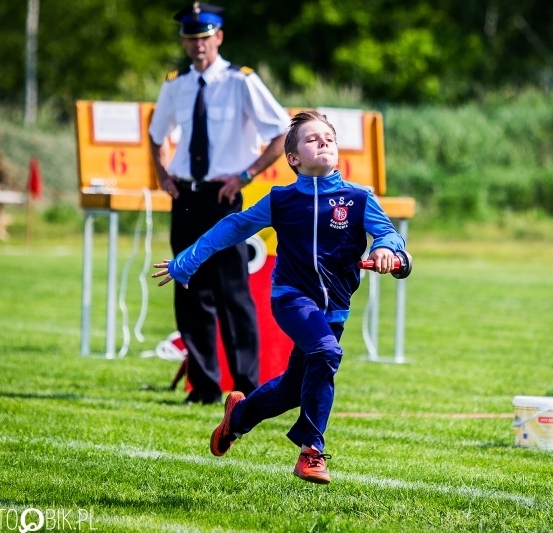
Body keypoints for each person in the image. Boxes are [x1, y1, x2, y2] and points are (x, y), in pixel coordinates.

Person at [153, 110, 408, 484]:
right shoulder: (281, 200)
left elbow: (390, 235)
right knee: (326, 353)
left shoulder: (358, 198)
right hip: (291, 299)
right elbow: (232, 227)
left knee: (293, 388)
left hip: (334, 310)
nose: (323, 142)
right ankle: (312, 451)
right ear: (292, 158)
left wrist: (387, 249)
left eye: (329, 138)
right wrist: (186, 262)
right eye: (312, 139)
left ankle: (237, 418)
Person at [148, 2, 290, 405]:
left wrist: (245, 175)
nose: (198, 46)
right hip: (186, 195)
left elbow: (281, 134)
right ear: (183, 41)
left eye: (205, 38)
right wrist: (161, 174)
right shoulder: (175, 84)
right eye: (191, 39)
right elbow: (157, 134)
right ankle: (204, 387)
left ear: (219, 38)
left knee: (232, 293)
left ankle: (245, 385)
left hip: (224, 198)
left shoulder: (240, 81)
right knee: (189, 287)